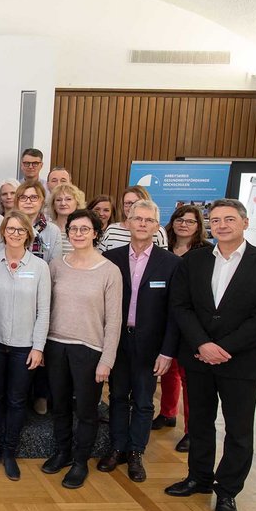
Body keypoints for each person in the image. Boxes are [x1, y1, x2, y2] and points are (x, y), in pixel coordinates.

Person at [165, 199, 256, 511]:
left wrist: (222, 347)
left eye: (229, 219)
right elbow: (181, 306)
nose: (222, 225)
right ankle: (198, 478)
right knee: (200, 424)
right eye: (215, 220)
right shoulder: (195, 260)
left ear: (244, 223)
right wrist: (203, 344)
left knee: (238, 430)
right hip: (199, 357)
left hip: (242, 361)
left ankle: (228, 490)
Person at [96, 199, 180, 483]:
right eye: (137, 219)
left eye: (148, 220)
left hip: (151, 345)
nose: (142, 224)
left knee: (143, 401)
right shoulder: (112, 259)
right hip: (117, 340)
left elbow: (174, 313)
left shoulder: (170, 264)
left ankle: (136, 452)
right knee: (117, 396)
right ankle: (117, 447)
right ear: (128, 223)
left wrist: (167, 352)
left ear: (157, 227)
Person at [42, 209, 122, 489]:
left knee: (87, 410)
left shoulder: (110, 271)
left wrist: (107, 361)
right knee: (60, 406)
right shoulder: (56, 265)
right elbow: (44, 307)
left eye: (84, 229)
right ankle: (62, 452)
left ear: (96, 233)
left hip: (89, 350)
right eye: (73, 229)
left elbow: (114, 321)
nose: (78, 234)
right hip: (55, 346)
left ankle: (80, 461)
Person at [0, 211, 50, 480]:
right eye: (10, 229)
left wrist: (38, 347)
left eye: (21, 230)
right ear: (3, 232)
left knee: (17, 400)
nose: (15, 234)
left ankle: (10, 452)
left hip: (25, 346)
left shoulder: (40, 267)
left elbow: (43, 311)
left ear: (28, 234)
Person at [157, 204, 210, 451]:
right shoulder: (162, 248)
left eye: (190, 221)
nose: (184, 224)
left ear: (198, 226)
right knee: (168, 370)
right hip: (163, 316)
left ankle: (191, 430)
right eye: (179, 219)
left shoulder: (206, 253)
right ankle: (167, 413)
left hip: (190, 319)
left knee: (190, 377)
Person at [98, 186, 169, 251]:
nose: (132, 207)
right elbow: (102, 258)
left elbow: (163, 259)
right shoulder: (112, 230)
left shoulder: (158, 231)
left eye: (136, 202)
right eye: (128, 203)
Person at [14, 180, 62, 263]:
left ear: (42, 201)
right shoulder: (9, 227)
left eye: (34, 197)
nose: (28, 201)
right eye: (23, 197)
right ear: (17, 202)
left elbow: (55, 264)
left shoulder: (53, 231)